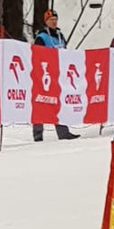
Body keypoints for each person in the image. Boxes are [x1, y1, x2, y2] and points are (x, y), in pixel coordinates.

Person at [32, 9, 79, 142]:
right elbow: (37, 55)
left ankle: (63, 132)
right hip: (45, 73)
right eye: (51, 20)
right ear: (46, 22)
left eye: (55, 20)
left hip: (59, 74)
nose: (54, 22)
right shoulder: (42, 37)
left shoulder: (60, 35)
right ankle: (38, 134)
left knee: (59, 102)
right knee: (41, 102)